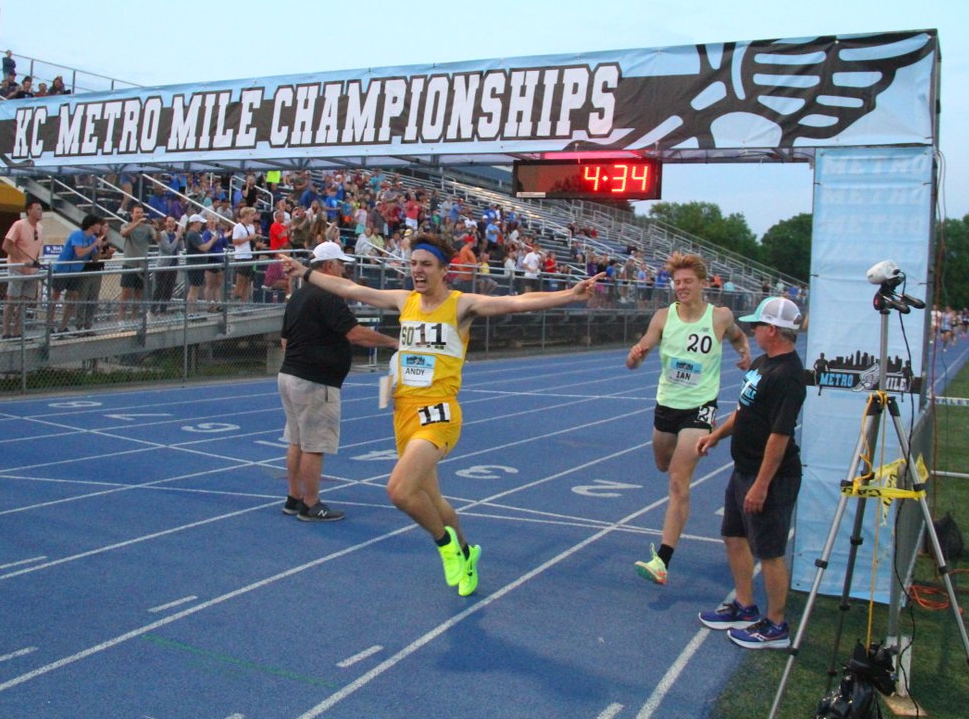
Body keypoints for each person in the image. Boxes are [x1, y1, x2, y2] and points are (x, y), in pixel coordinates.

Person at [277, 233, 603, 597]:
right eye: (413, 263)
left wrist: (568, 295)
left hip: (439, 411)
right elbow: (347, 288)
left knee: (399, 491)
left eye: (426, 265)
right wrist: (306, 273)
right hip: (404, 413)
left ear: (443, 271)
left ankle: (445, 546)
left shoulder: (462, 305)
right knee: (433, 500)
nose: (417, 270)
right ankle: (465, 551)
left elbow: (516, 302)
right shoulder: (405, 301)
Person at [626, 251, 752, 586]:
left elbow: (738, 335)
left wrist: (744, 352)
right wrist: (635, 357)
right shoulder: (663, 317)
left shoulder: (720, 317)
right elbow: (639, 353)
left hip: (701, 407)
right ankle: (665, 549)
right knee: (662, 463)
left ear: (702, 284)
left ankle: (662, 561)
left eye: (687, 282)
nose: (681, 287)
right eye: (677, 282)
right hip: (667, 405)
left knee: (679, 481)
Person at [696, 297, 806, 650]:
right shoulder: (762, 363)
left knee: (770, 551)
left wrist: (760, 485)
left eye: (758, 325)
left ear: (772, 330)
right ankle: (745, 606)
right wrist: (716, 434)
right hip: (743, 469)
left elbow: (780, 435)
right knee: (733, 535)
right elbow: (744, 411)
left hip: (770, 478)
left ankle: (776, 625)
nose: (753, 330)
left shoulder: (788, 375)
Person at [279, 241, 400, 522]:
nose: (345, 270)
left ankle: (294, 497)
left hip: (290, 374)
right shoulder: (327, 295)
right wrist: (393, 341)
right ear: (329, 266)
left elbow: (284, 340)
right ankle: (311, 504)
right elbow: (354, 333)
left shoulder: (299, 294)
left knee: (297, 441)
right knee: (314, 445)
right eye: (342, 264)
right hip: (314, 380)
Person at [0, 196, 44, 339]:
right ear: (29, 210)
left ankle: (17, 331)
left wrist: (35, 263)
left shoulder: (40, 228)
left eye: (41, 209)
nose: (40, 212)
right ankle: (6, 331)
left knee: (25, 302)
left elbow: (36, 249)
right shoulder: (19, 225)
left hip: (32, 271)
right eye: (37, 209)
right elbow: (7, 245)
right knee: (12, 300)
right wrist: (22, 260)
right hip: (17, 269)